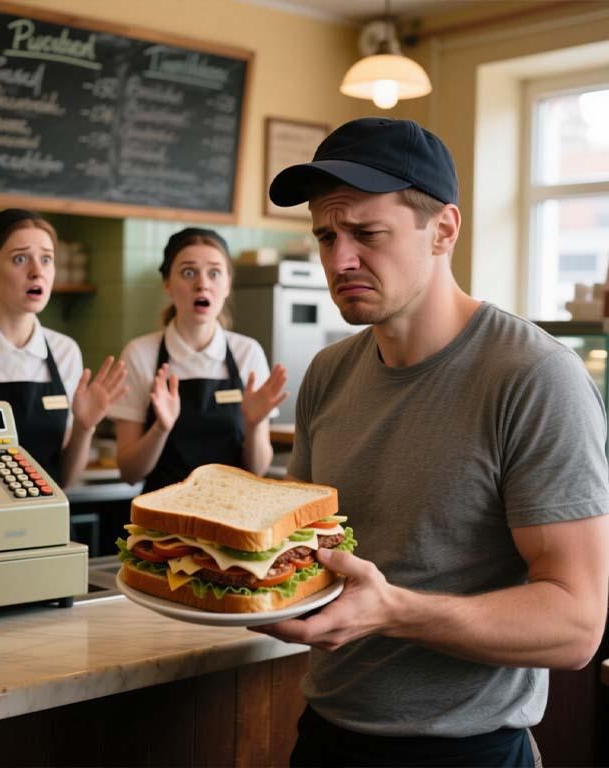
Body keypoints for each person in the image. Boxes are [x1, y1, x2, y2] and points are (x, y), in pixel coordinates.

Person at [253, 117, 609, 767]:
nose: (339, 260)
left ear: (443, 230)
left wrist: (392, 610)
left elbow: (576, 625)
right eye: (326, 236)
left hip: (468, 751)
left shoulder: (533, 377)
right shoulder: (329, 373)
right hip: (327, 735)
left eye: (366, 233)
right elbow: (304, 550)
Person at [0, 208, 127, 489]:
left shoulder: (65, 351)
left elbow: (66, 481)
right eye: (20, 259)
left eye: (46, 259)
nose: (37, 272)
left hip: (49, 515)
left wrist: (84, 427)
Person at [110, 226, 287, 491]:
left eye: (214, 273)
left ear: (227, 284)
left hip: (232, 510)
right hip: (163, 512)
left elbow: (257, 471)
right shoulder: (140, 354)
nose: (202, 284)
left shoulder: (247, 353)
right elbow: (129, 472)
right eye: (188, 272)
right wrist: (160, 428)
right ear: (167, 284)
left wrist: (253, 426)